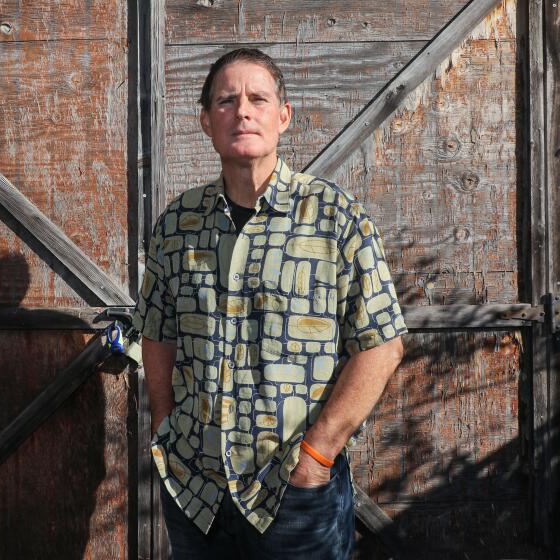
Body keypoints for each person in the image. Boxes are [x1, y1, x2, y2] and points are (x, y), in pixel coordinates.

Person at [131, 48, 407, 559]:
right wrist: (165, 428)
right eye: (225, 100)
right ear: (206, 120)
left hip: (295, 494)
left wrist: (317, 457)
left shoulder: (334, 219)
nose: (242, 111)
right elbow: (158, 331)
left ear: (283, 116)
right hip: (197, 494)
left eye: (258, 98)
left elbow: (382, 346)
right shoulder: (178, 224)